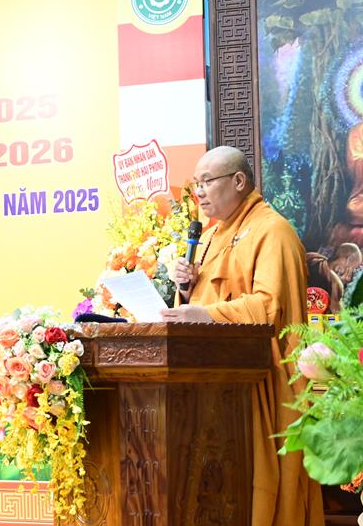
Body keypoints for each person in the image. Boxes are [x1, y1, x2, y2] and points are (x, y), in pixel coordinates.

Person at [161, 146, 323, 526]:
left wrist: (205, 314)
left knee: (262, 493)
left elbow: (269, 307)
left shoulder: (272, 231)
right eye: (196, 184)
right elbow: (202, 303)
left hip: (260, 381)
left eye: (207, 182)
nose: (199, 192)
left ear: (238, 181)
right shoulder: (211, 237)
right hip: (214, 384)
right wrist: (186, 290)